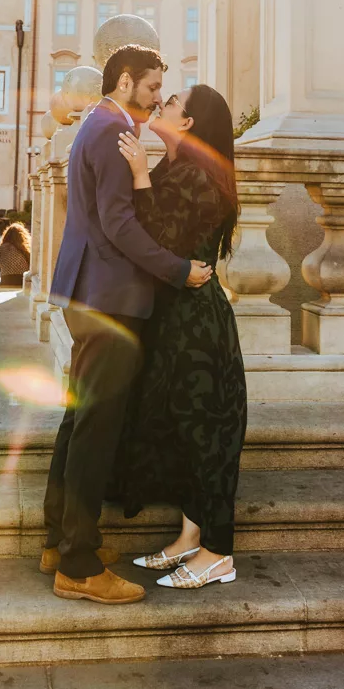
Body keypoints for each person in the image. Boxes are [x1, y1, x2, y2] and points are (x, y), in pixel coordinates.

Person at [41, 45, 214, 606]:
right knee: (96, 427)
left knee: (79, 419)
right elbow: (118, 222)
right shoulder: (115, 132)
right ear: (123, 80)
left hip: (89, 291)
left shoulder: (99, 123)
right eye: (151, 87)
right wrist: (177, 269)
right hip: (110, 298)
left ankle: (61, 539)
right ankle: (78, 565)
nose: (157, 97)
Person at [115, 83, 246, 591]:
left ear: (187, 123)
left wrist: (141, 176)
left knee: (204, 436)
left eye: (170, 103)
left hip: (198, 326)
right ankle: (190, 537)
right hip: (176, 319)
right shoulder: (176, 168)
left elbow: (160, 243)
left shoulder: (197, 175)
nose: (160, 105)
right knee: (181, 434)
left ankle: (218, 553)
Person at [0, 221, 31, 287]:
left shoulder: (1, 248)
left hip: (6, 280)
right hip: (21, 281)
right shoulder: (24, 248)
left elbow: (0, 268)